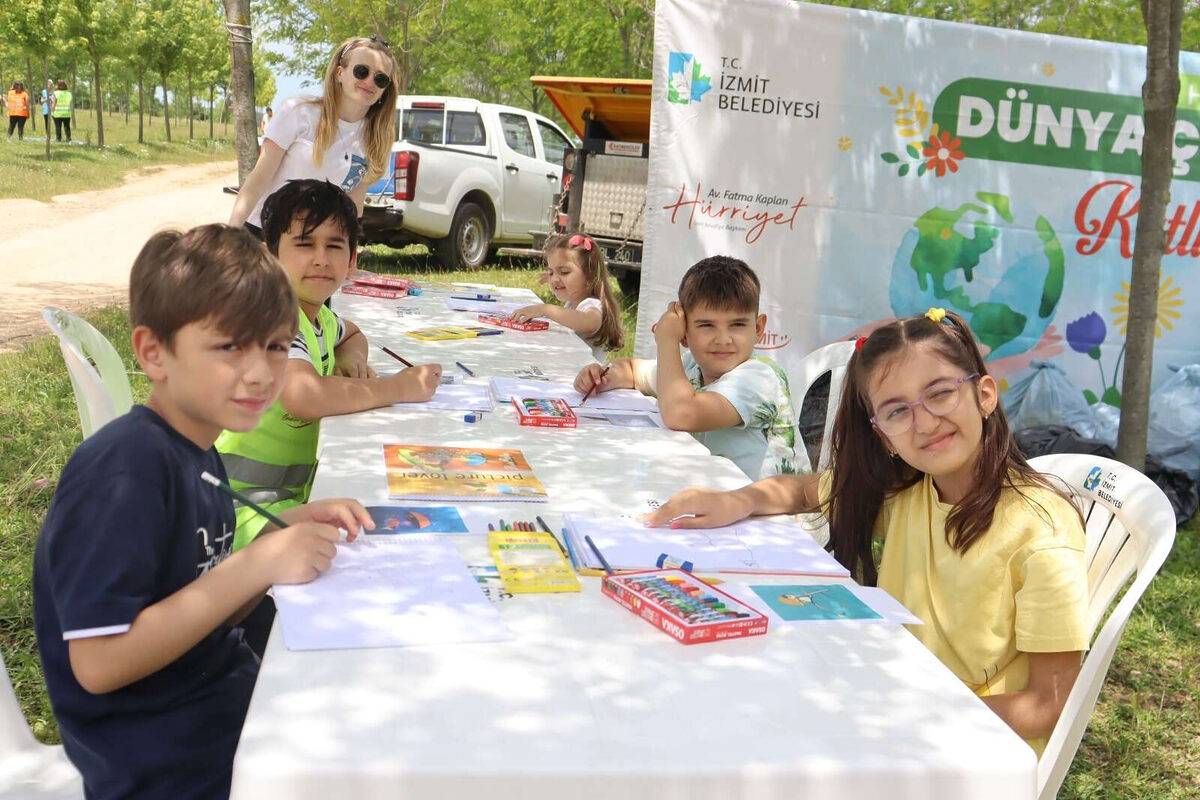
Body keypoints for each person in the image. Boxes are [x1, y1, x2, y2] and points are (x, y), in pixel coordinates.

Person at [645, 308, 1089, 756]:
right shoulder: (909, 492)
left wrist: (907, 722)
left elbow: (1048, 704)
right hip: (888, 705)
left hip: (966, 751)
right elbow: (803, 493)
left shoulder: (1042, 532)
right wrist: (737, 500)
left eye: (939, 393)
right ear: (882, 436)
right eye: (897, 411)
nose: (925, 422)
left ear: (985, 394)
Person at [33, 224, 374, 800]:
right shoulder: (125, 472)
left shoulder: (198, 449)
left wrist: (278, 532)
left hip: (219, 708)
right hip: (166, 763)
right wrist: (257, 563)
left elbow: (206, 602)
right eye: (229, 346)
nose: (262, 372)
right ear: (153, 353)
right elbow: (97, 661)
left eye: (274, 345)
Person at [218, 179, 442, 548]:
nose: (321, 258)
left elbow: (352, 334)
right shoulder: (272, 316)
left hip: (284, 496)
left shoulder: (317, 317)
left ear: (352, 260)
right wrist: (399, 388)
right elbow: (304, 395)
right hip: (236, 508)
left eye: (334, 245)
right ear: (268, 257)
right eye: (304, 244)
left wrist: (350, 358)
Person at [574, 256, 796, 479]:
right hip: (711, 493)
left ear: (758, 328)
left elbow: (681, 414)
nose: (723, 339)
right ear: (685, 333)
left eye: (737, 324)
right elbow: (633, 370)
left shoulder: (759, 377)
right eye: (706, 325)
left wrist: (667, 339)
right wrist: (602, 377)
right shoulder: (692, 365)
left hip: (766, 510)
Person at [229, 36, 398, 238]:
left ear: (385, 90)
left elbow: (354, 205)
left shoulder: (379, 136)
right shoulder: (298, 111)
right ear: (339, 73)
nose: (370, 81)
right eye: (362, 71)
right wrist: (230, 236)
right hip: (263, 234)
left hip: (314, 246)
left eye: (380, 79)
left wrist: (351, 253)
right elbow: (259, 177)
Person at [509, 233, 624, 362]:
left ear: (589, 276)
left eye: (564, 272)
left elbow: (590, 323)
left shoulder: (591, 305)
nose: (554, 279)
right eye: (551, 272)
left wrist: (546, 309)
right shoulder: (571, 303)